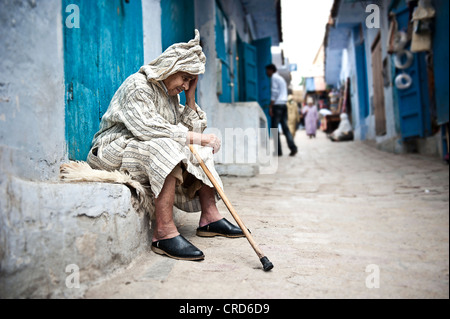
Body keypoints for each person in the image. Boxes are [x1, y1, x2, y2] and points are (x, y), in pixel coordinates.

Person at [86, 30, 244, 262]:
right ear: (170, 67)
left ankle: (209, 218)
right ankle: (164, 233)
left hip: (140, 148)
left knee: (199, 148)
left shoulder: (171, 96)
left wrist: (190, 99)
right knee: (167, 146)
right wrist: (198, 138)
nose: (185, 84)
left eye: (191, 80)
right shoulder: (137, 85)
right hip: (111, 150)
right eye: (184, 78)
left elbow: (190, 133)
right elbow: (148, 129)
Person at [266, 64, 298, 157]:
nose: (266, 73)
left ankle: (278, 151)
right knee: (285, 128)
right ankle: (293, 148)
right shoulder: (281, 79)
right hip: (284, 104)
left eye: (267, 71)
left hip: (277, 105)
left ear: (271, 70)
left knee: (274, 129)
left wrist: (271, 107)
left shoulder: (274, 78)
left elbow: (274, 93)